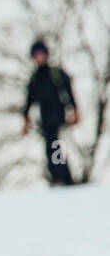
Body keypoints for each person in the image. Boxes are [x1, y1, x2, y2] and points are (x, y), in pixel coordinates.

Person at [22, 39, 80, 185]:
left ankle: (63, 178)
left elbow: (68, 91)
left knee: (55, 145)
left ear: (46, 55)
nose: (39, 57)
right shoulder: (36, 78)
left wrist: (75, 109)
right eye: (36, 55)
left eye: (41, 54)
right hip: (45, 118)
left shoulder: (55, 74)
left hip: (58, 115)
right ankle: (60, 177)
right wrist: (26, 118)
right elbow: (29, 99)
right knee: (51, 147)